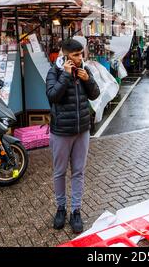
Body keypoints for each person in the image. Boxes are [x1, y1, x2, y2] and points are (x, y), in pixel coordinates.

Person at [46, 38, 100, 233]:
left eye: (81, 54)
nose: (80, 58)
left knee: (78, 172)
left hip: (82, 130)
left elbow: (95, 95)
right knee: (60, 172)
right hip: (61, 131)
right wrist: (66, 77)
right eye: (76, 55)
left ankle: (76, 211)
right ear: (65, 55)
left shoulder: (85, 69)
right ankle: (61, 209)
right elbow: (53, 96)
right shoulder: (54, 71)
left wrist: (88, 80)